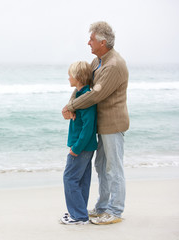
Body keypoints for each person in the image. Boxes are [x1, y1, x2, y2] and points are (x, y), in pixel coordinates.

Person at [62, 21, 129, 225]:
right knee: (101, 167)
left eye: (91, 39)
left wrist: (72, 107)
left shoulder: (114, 65)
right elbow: (84, 84)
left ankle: (115, 211)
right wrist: (70, 104)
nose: (88, 42)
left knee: (113, 168)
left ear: (102, 42)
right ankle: (102, 207)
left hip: (113, 123)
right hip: (100, 124)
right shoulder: (98, 61)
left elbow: (95, 94)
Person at [60, 61, 97, 225]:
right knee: (81, 180)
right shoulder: (80, 95)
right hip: (84, 147)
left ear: (79, 77)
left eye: (70, 75)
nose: (68, 78)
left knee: (70, 178)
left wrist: (76, 148)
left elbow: (88, 128)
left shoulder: (86, 98)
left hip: (81, 147)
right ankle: (80, 213)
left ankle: (79, 216)